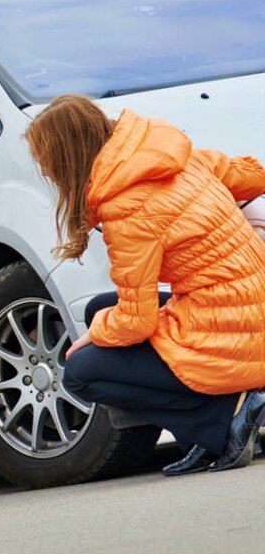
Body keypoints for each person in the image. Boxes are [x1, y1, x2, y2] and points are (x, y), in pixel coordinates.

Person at [24, 94, 265, 476]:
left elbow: (136, 320)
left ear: (66, 158)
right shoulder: (168, 154)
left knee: (81, 371)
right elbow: (253, 175)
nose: (47, 173)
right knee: (96, 308)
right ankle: (206, 435)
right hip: (250, 304)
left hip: (235, 330)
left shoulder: (127, 205)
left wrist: (96, 334)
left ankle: (228, 416)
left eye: (46, 163)